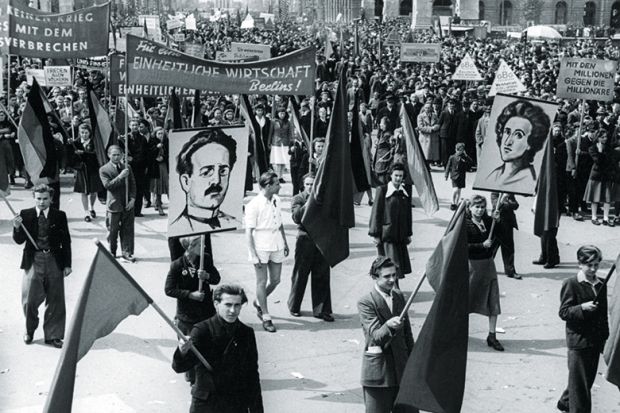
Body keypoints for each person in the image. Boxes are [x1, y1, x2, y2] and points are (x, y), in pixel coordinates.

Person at [172, 284, 264, 413]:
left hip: (235, 403)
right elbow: (180, 367)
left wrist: (257, 410)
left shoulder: (246, 333)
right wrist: (182, 350)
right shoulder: (202, 330)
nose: (233, 310)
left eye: (237, 305)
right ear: (216, 304)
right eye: (228, 305)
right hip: (207, 404)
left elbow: (252, 375)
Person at [12, 184, 72, 348]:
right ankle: (29, 330)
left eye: (45, 198)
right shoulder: (26, 214)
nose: (42, 202)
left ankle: (54, 335)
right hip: (33, 259)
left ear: (51, 199)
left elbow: (65, 240)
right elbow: (19, 240)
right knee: (29, 299)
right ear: (34, 198)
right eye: (38, 198)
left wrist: (67, 264)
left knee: (55, 299)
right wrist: (17, 228)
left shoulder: (59, 215)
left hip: (54, 259)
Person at [358, 256, 414, 413]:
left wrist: (413, 360)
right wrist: (388, 325)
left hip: (402, 368)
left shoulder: (398, 296)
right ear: (375, 277)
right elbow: (375, 336)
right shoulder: (366, 302)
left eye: (394, 275)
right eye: (386, 276)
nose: (391, 280)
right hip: (379, 372)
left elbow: (407, 333)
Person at [557, 245, 609, 413]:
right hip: (578, 343)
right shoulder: (571, 284)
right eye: (589, 265)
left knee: (585, 380)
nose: (593, 269)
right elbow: (564, 312)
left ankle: (566, 402)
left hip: (595, 342)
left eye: (596, 265)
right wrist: (582, 308)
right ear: (580, 264)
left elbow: (603, 316)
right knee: (581, 389)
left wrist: (605, 340)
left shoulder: (601, 284)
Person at [165, 236, 221, 384]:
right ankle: (192, 377)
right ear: (190, 247)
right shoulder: (177, 265)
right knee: (189, 346)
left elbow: (216, 278)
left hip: (206, 312)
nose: (203, 247)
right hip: (187, 315)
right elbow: (169, 289)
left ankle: (205, 374)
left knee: (207, 343)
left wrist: (207, 276)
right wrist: (190, 295)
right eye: (200, 245)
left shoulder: (205, 259)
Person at [170, 129, 239, 236]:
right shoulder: (177, 229)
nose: (217, 180)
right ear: (186, 182)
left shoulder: (234, 223)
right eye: (206, 172)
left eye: (223, 171)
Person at [245, 171, 289, 333]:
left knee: (276, 280)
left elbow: (280, 222)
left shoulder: (277, 200)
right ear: (268, 186)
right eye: (277, 184)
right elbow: (248, 232)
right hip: (261, 245)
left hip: (276, 242)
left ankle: (258, 301)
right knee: (261, 282)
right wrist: (253, 254)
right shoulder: (253, 205)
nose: (280, 186)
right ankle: (265, 315)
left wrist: (284, 242)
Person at [287, 173, 334, 321]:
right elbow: (296, 217)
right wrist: (308, 204)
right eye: (307, 184)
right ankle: (294, 306)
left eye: (312, 184)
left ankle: (321, 309)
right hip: (305, 239)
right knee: (300, 274)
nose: (310, 187)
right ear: (303, 185)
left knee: (321, 274)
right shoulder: (298, 198)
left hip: (321, 240)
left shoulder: (323, 198)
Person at [486, 99, 550, 194]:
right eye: (507, 132)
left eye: (518, 135)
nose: (508, 142)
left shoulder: (528, 179)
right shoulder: (494, 175)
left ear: (530, 143)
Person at [466, 194, 504, 351]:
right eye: (477, 207)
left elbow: (500, 236)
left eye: (482, 207)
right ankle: (460, 333)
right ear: (470, 208)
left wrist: (498, 221)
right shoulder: (465, 224)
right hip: (472, 267)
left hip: (488, 265)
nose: (480, 210)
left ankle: (492, 335)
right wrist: (481, 245)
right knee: (467, 302)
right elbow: (462, 246)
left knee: (492, 301)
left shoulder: (489, 221)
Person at [369, 163, 413, 282]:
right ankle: (394, 290)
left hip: (400, 235)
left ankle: (392, 290)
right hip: (387, 236)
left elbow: (408, 215)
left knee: (397, 266)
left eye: (401, 176)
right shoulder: (383, 190)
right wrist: (375, 234)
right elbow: (376, 213)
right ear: (391, 175)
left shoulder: (405, 192)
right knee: (392, 264)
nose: (398, 178)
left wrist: (408, 233)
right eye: (396, 175)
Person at [99, 145, 136, 263]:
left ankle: (127, 252)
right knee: (113, 230)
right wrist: (120, 177)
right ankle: (112, 252)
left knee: (128, 229)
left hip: (127, 204)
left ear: (122, 155)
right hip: (114, 204)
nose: (116, 157)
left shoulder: (127, 167)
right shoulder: (104, 169)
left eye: (118, 155)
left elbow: (133, 184)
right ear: (109, 155)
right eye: (113, 155)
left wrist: (133, 199)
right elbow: (108, 186)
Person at [72, 124, 104, 222]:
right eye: (82, 132)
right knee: (84, 192)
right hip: (82, 170)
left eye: (86, 132)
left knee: (93, 191)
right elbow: (71, 155)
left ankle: (91, 207)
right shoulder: (76, 142)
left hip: (93, 169)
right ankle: (86, 213)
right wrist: (70, 146)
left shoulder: (94, 142)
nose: (84, 135)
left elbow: (95, 155)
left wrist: (84, 153)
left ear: (89, 133)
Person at [583, 131, 616, 226]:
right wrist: (600, 152)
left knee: (607, 198)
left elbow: (610, 161)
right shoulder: (592, 148)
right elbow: (597, 161)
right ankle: (594, 217)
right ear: (598, 138)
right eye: (603, 137)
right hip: (596, 176)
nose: (605, 138)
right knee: (595, 198)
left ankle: (606, 218)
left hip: (606, 175)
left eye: (606, 136)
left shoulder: (609, 148)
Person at [491, 192, 520, 279]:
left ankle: (510, 271)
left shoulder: (510, 192)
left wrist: (508, 201)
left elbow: (516, 205)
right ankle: (485, 266)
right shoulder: (495, 192)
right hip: (497, 224)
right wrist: (503, 199)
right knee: (492, 247)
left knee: (509, 248)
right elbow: (496, 205)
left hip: (508, 224)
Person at [445, 143, 472, 210]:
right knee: (455, 190)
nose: (460, 152)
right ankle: (452, 202)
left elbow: (471, 162)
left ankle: (456, 204)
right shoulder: (452, 157)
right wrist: (446, 174)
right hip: (454, 176)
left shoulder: (464, 157)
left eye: (462, 150)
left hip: (461, 176)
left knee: (459, 191)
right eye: (459, 150)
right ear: (456, 150)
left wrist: (466, 155)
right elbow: (448, 166)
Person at [269, 106, 294, 183]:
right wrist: (269, 143)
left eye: (283, 113)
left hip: (285, 143)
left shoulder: (288, 122)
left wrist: (291, 142)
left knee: (283, 160)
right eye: (280, 113)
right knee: (277, 161)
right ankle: (277, 176)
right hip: (276, 143)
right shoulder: (273, 121)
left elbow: (290, 133)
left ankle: (281, 176)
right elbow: (270, 133)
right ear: (278, 114)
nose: (282, 115)